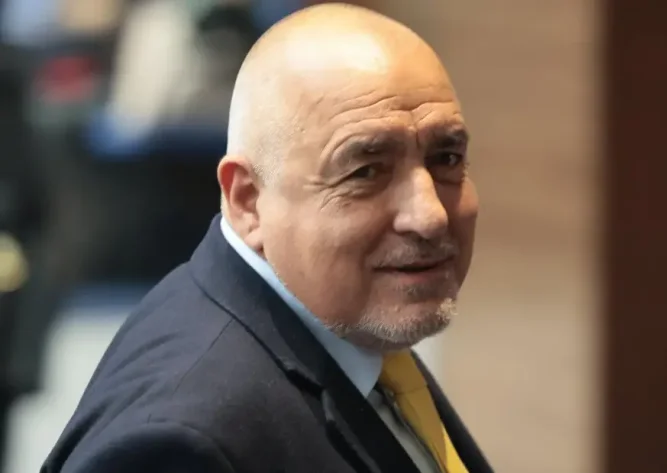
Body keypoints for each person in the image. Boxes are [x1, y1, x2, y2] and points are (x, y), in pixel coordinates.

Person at [41, 3, 492, 473]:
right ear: (248, 200)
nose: (430, 216)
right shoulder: (182, 446)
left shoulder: (350, 326)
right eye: (366, 171)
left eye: (446, 158)